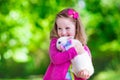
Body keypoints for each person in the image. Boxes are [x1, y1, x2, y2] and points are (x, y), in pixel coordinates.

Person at [43, 8, 94, 80]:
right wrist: (74, 51)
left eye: (67, 28)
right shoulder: (56, 43)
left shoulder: (83, 48)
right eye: (59, 28)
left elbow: (87, 66)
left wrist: (85, 73)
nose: (63, 33)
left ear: (76, 28)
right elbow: (56, 59)